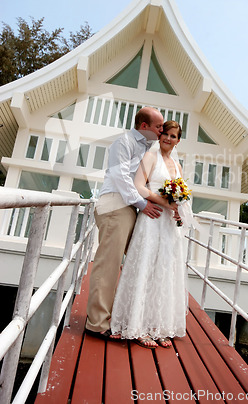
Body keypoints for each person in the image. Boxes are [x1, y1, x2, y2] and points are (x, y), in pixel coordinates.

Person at [85, 106, 165, 340]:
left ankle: (129, 318)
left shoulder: (151, 148)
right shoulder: (125, 142)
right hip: (116, 205)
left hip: (133, 209)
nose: (162, 130)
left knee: (139, 263)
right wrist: (142, 204)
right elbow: (121, 177)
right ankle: (97, 323)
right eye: (158, 126)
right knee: (108, 263)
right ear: (144, 126)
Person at [110, 121, 188, 348]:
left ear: (178, 140)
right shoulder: (150, 156)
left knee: (163, 272)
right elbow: (139, 186)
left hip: (168, 225)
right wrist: (163, 201)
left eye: (173, 136)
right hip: (152, 218)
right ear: (160, 135)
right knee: (145, 268)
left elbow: (181, 195)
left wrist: (178, 212)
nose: (168, 139)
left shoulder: (177, 164)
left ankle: (157, 326)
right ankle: (137, 326)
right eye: (165, 134)